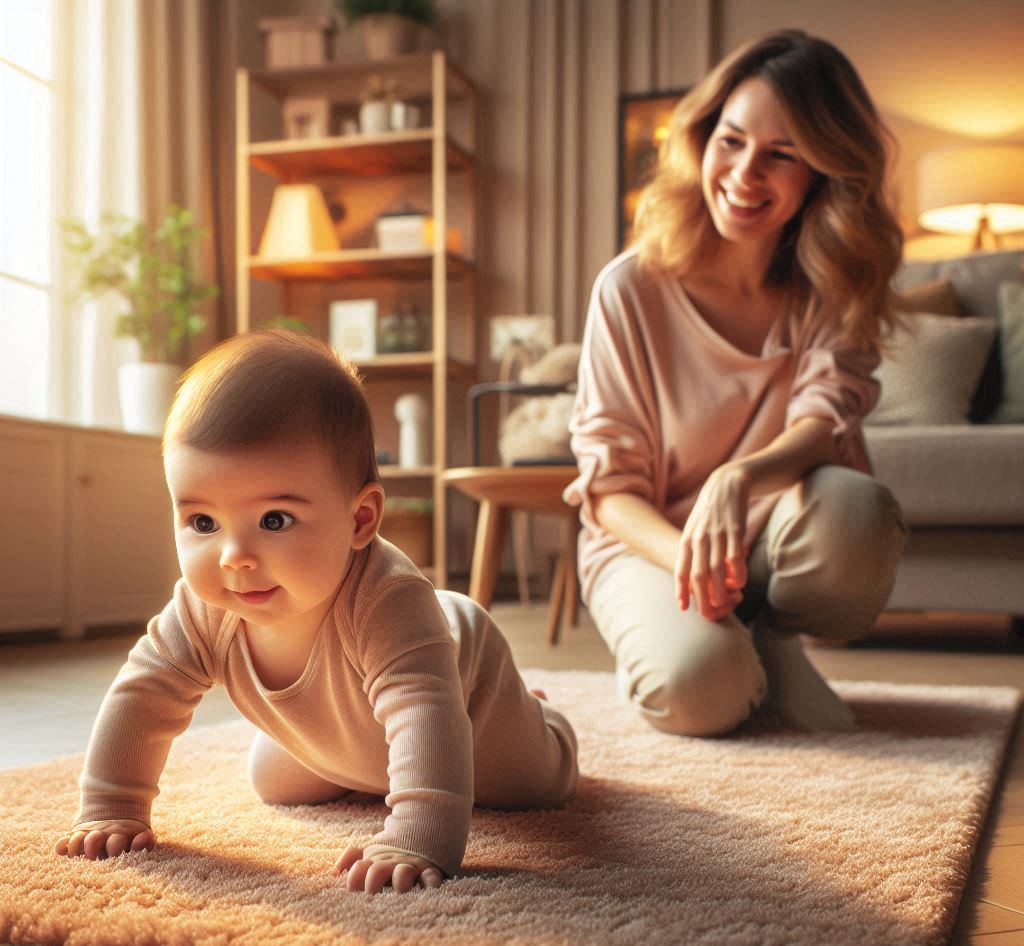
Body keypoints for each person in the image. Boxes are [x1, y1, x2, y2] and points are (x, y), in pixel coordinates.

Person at [56, 329, 579, 893]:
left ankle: (541, 716)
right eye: (203, 523)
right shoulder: (203, 608)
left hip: (469, 694)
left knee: (536, 779)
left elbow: (424, 713)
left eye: (274, 520)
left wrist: (416, 838)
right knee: (272, 780)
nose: (235, 558)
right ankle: (374, 765)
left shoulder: (388, 602)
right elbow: (143, 693)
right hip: (346, 725)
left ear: (360, 520)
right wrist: (112, 803)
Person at [565, 29, 908, 738]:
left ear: (822, 171)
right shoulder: (630, 288)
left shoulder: (830, 286)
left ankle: (768, 638)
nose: (746, 173)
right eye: (732, 140)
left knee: (858, 518)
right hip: (648, 545)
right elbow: (609, 492)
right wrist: (695, 566)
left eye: (783, 154)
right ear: (702, 138)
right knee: (699, 693)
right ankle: (739, 653)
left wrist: (737, 479)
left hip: (768, 529)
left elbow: (827, 420)